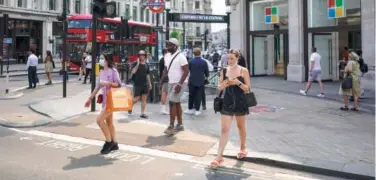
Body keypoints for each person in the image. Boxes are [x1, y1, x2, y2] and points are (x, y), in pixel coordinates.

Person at [211, 49, 251, 168]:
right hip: (227, 103)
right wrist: (225, 84)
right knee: (224, 130)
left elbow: (247, 88)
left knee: (240, 127)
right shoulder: (224, 70)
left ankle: (243, 148)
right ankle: (219, 157)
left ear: (238, 58)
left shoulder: (244, 71)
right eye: (228, 58)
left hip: (240, 102)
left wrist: (238, 83)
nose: (229, 60)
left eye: (232, 58)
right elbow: (219, 88)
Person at [84, 54, 121, 154]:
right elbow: (97, 87)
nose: (101, 60)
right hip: (105, 100)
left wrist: (108, 83)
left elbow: (119, 84)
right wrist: (90, 99)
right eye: (100, 58)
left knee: (99, 120)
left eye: (102, 59)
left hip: (112, 101)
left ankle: (108, 142)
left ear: (107, 61)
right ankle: (114, 143)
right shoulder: (101, 72)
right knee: (109, 123)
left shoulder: (113, 71)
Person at [159, 38, 189, 135]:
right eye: (167, 45)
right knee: (176, 102)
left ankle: (171, 126)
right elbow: (165, 69)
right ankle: (180, 124)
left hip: (180, 82)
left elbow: (186, 71)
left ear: (175, 46)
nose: (167, 47)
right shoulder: (167, 56)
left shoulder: (181, 57)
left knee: (172, 101)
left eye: (169, 45)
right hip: (171, 82)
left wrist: (180, 84)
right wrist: (161, 81)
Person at [185, 48, 209, 116]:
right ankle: (197, 110)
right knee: (198, 95)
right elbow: (207, 73)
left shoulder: (191, 61)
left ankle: (190, 109)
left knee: (191, 95)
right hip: (201, 81)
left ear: (194, 53)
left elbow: (187, 71)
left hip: (192, 80)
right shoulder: (204, 62)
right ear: (200, 53)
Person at [130, 50, 152, 118]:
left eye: (143, 55)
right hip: (137, 84)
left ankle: (142, 113)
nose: (141, 56)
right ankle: (130, 105)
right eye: (140, 55)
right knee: (136, 99)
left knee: (144, 98)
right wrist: (138, 64)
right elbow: (133, 72)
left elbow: (147, 74)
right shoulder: (135, 63)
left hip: (145, 83)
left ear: (145, 56)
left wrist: (150, 83)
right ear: (138, 56)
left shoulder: (147, 64)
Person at [159, 48, 169, 114]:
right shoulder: (166, 60)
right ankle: (163, 109)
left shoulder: (161, 60)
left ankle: (163, 108)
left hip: (164, 78)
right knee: (165, 93)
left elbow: (160, 70)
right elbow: (164, 71)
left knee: (164, 93)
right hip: (166, 78)